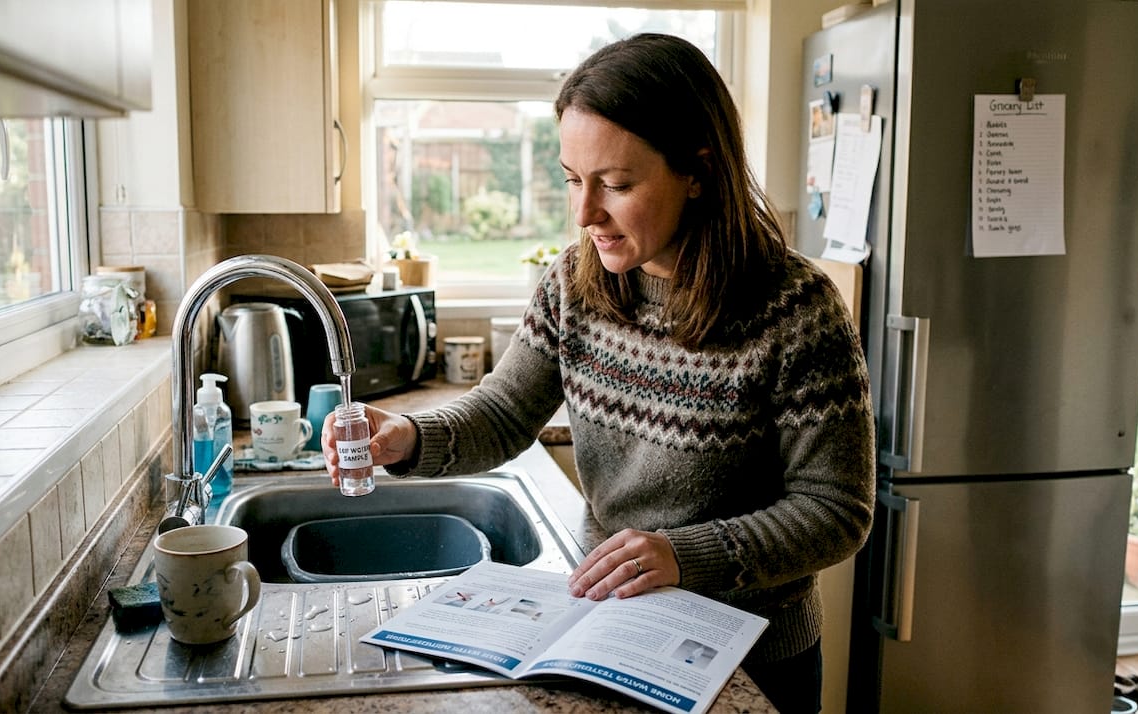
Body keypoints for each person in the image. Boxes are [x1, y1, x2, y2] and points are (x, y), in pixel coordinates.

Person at [322, 32, 875, 714]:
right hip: (612, 632)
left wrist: (682, 555)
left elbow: (836, 511)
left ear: (698, 170)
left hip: (753, 654)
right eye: (572, 180)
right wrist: (405, 434)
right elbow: (503, 411)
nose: (585, 216)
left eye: (615, 185)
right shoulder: (573, 283)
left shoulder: (796, 311)